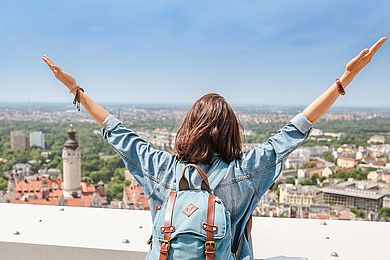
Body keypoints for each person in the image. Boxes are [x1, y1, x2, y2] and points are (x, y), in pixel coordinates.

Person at [42, 37, 386, 259]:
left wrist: (76, 90)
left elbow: (116, 132)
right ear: (232, 131)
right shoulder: (246, 171)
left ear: (189, 127)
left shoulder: (162, 169)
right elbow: (293, 132)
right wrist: (343, 81)